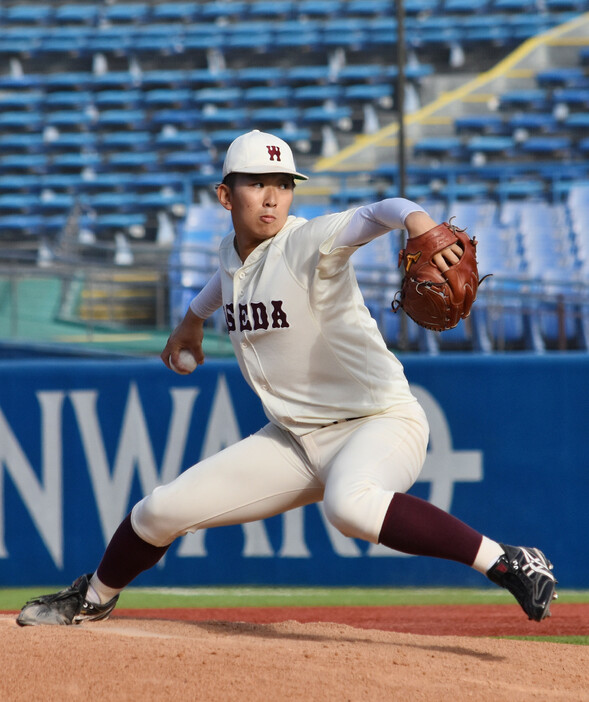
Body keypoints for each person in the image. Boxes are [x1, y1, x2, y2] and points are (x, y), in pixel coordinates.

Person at [17, 130, 557, 627]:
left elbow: (379, 211)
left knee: (350, 505)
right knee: (159, 510)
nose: (273, 196)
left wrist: (417, 221)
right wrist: (189, 323)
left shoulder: (309, 241)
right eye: (257, 184)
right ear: (226, 197)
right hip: (295, 440)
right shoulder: (231, 254)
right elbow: (221, 281)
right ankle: (92, 599)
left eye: (283, 184)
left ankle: (507, 560)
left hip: (377, 422)